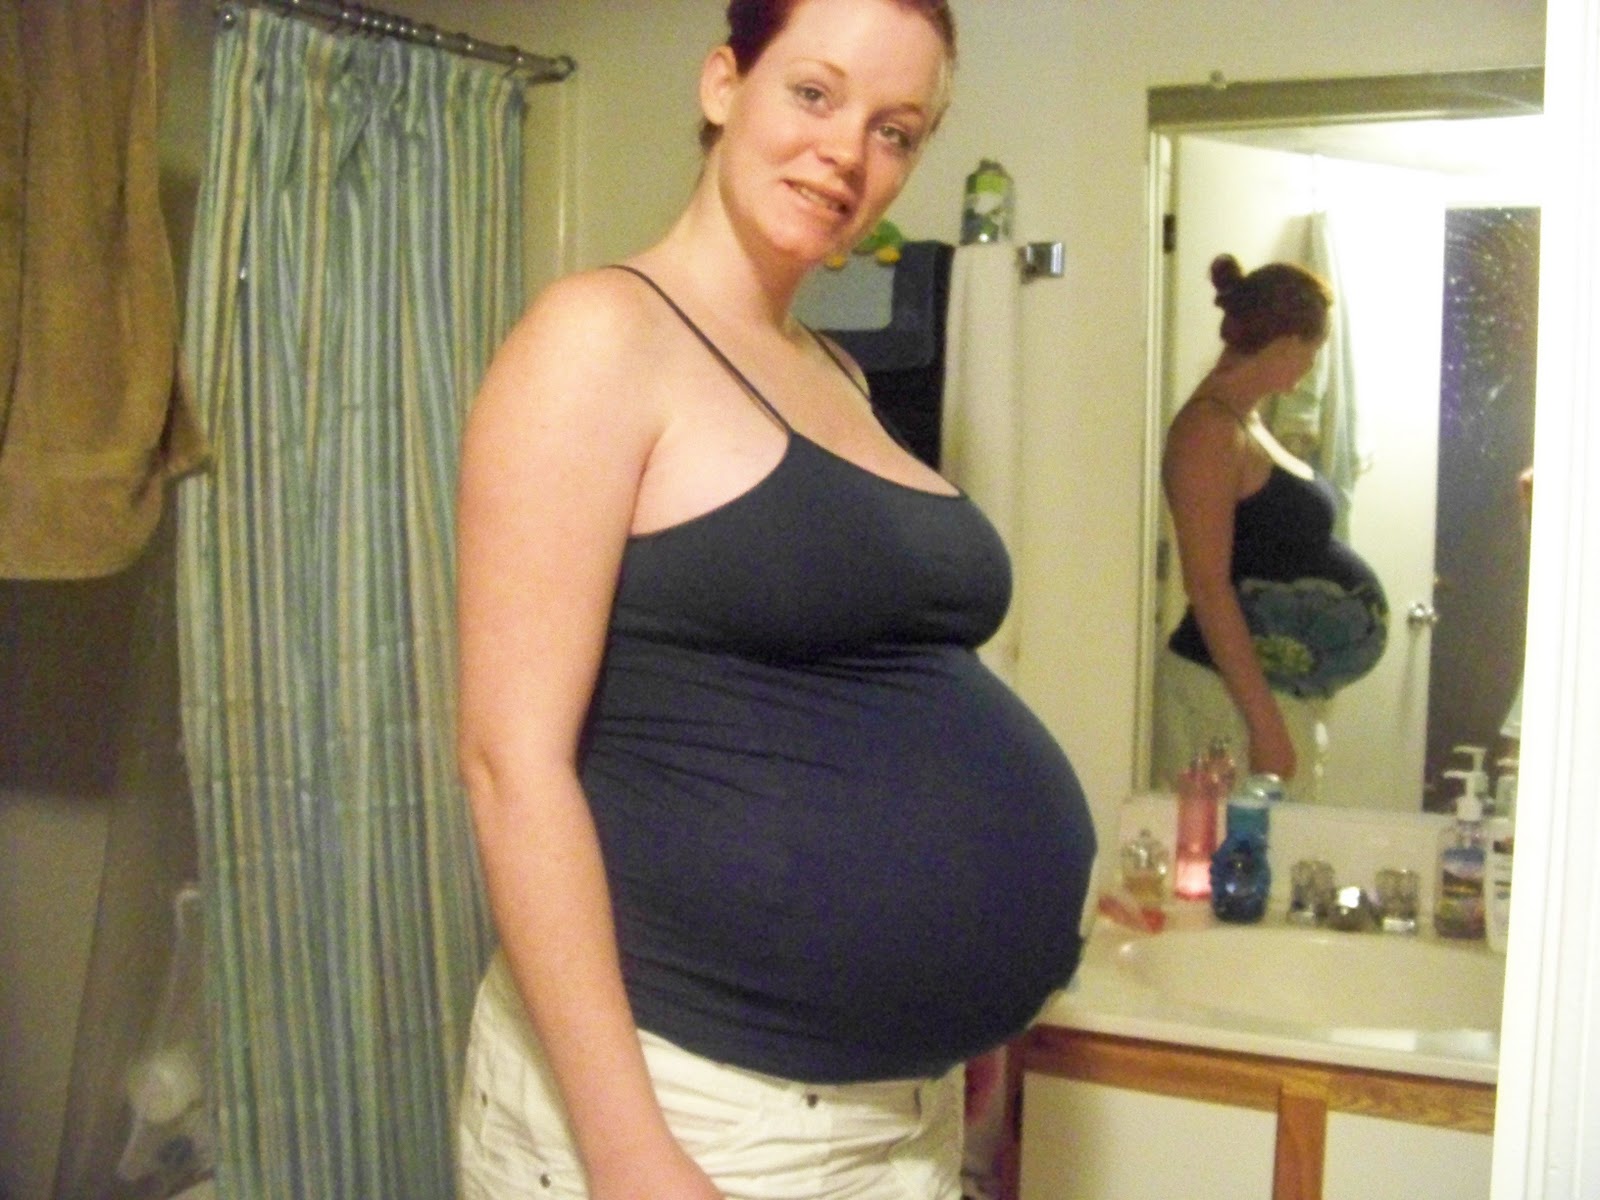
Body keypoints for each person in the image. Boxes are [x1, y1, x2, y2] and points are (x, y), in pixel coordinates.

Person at [451, 2, 1096, 1198]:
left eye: (895, 129)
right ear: (721, 85)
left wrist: (959, 1020)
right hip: (695, 1110)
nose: (849, 152)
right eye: (813, 92)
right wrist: (630, 1154)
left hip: (890, 1112)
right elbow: (509, 767)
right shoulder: (600, 336)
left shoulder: (833, 370)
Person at [1154, 253, 1387, 803]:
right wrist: (1266, 727)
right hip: (1221, 697)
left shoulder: (1246, 420)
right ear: (1285, 343)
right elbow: (1207, 586)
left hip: (1261, 694)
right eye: (1312, 351)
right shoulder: (1208, 430)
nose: (1311, 368)